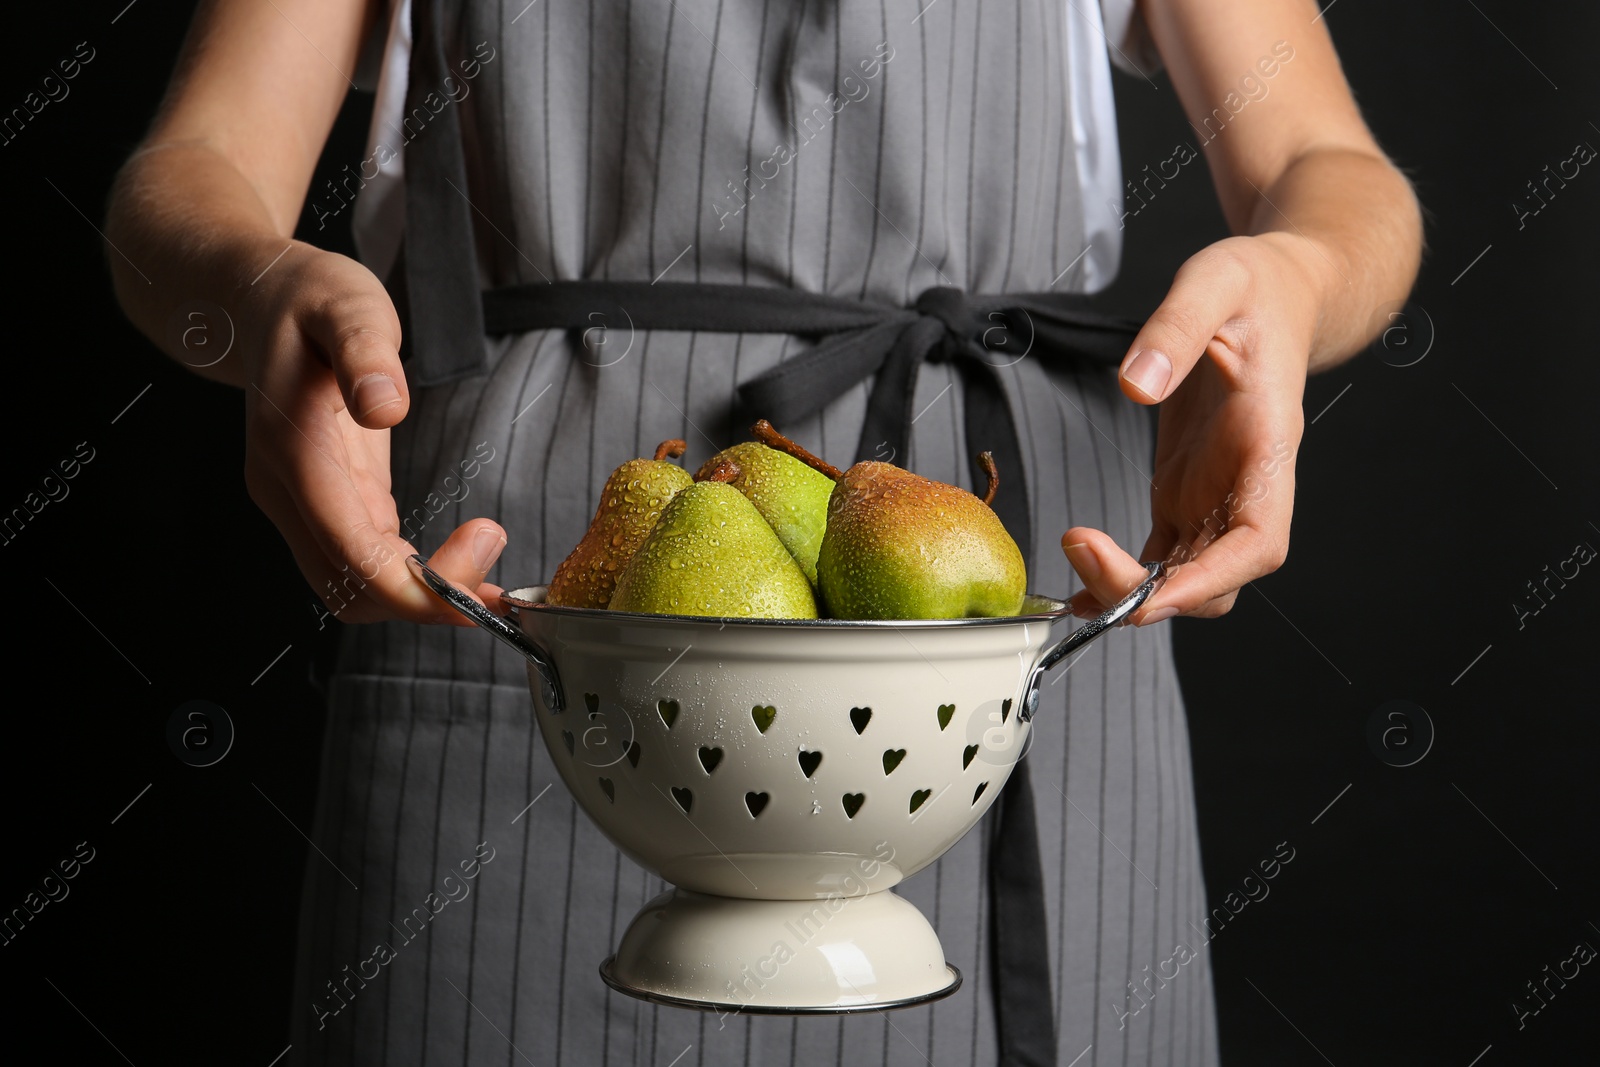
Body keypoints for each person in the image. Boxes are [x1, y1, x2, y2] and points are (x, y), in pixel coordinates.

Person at [106, 0, 1420, 1063]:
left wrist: (1295, 279)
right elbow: (194, 173)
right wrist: (257, 284)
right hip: (543, 600)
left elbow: (1333, 169)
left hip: (1016, 607)